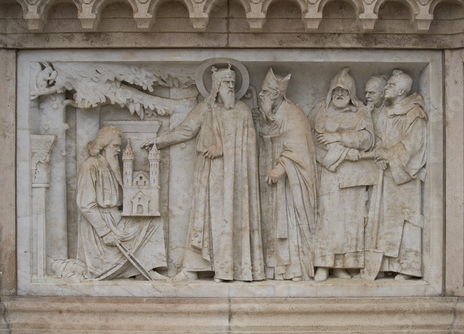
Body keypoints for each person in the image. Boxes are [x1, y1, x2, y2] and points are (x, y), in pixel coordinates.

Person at [143, 65, 265, 282]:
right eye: (226, 83)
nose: (231, 88)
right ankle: (193, 269)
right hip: (209, 173)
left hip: (235, 177)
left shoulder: (243, 112)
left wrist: (224, 149)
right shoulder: (205, 109)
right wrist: (159, 141)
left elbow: (249, 146)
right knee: (202, 218)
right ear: (216, 86)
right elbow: (186, 130)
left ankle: (228, 269)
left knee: (230, 217)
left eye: (232, 83)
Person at [74, 125, 167, 280]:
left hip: (115, 217)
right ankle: (132, 269)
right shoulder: (89, 166)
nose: (118, 150)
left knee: (153, 221)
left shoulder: (112, 166)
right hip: (100, 223)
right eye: (115, 146)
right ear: (103, 145)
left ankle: (145, 268)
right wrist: (105, 232)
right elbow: (85, 205)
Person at [308, 68, 374, 282]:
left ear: (352, 93)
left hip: (353, 175)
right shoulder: (320, 110)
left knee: (350, 220)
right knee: (328, 218)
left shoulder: (361, 112)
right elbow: (308, 138)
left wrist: (338, 138)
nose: (339, 94)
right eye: (335, 90)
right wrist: (327, 157)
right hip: (327, 172)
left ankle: (344, 264)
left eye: (344, 90)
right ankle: (323, 264)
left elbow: (367, 140)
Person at [257, 68, 317, 281]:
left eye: (265, 92)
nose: (261, 95)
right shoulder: (268, 114)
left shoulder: (293, 114)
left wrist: (280, 168)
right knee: (270, 223)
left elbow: (299, 149)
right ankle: (273, 269)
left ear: (274, 94)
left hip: (290, 183)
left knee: (289, 222)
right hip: (267, 180)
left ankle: (294, 269)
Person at [373, 70, 427, 280]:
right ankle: (388, 263)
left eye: (391, 85)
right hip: (386, 173)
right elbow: (378, 139)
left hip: (404, 176)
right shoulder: (384, 113)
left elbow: (413, 145)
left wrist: (390, 154)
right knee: (387, 220)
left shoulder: (414, 113)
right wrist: (379, 152)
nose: (386, 87)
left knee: (407, 219)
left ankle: (409, 267)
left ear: (403, 90)